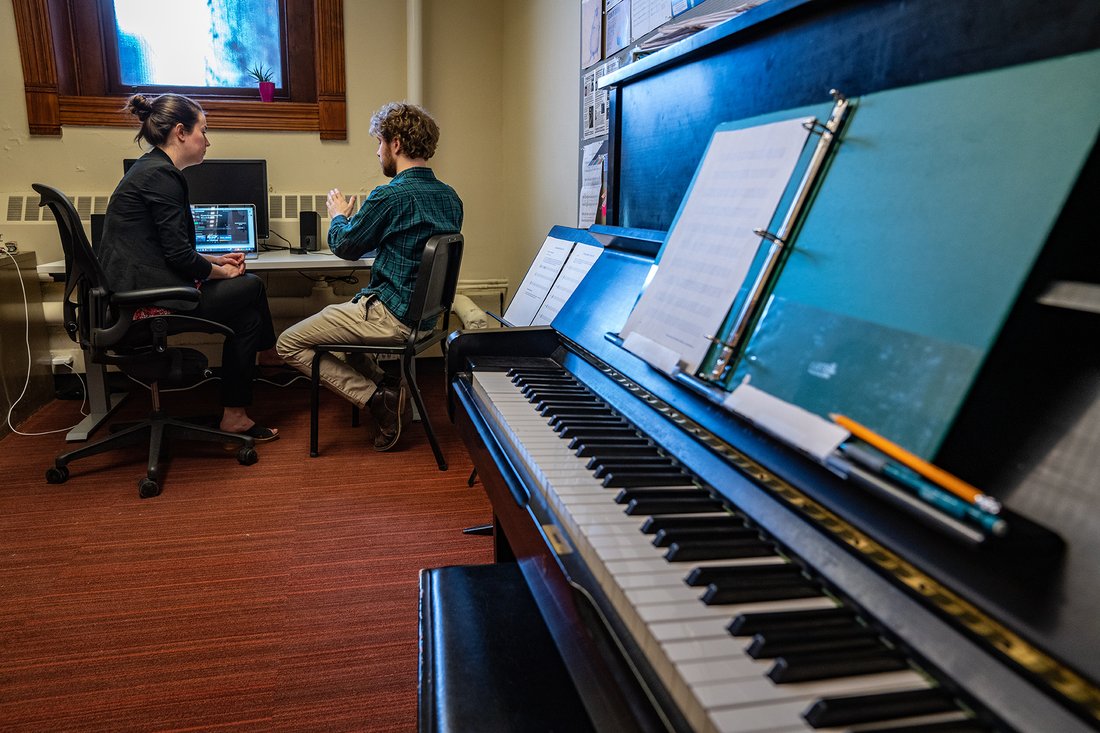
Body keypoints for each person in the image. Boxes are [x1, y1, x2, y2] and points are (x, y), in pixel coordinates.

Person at [276, 102, 463, 451]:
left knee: (288, 343)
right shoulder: (450, 198)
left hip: (389, 318)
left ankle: (378, 398)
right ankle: (390, 388)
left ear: (395, 144)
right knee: (343, 335)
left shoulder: (389, 196)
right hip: (426, 319)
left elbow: (345, 246)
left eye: (379, 143)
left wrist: (338, 216)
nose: (377, 152)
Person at [98, 93, 280, 441]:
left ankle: (236, 414)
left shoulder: (150, 169)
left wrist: (214, 260)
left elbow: (167, 248)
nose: (207, 141)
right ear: (181, 132)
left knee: (247, 318)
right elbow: (179, 258)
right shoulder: (162, 176)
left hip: (132, 294)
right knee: (252, 286)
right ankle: (268, 354)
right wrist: (222, 273)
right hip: (143, 306)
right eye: (204, 131)